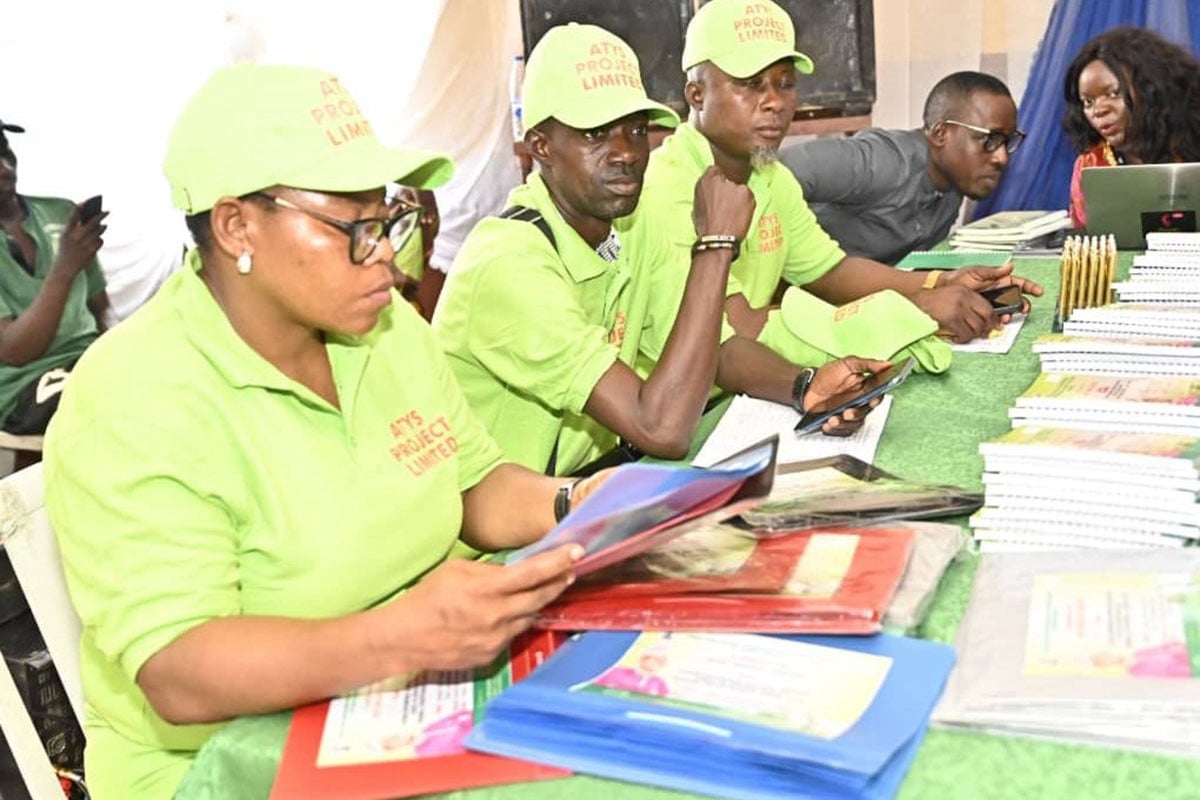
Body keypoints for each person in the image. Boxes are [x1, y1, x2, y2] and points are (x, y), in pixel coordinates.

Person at [43, 64, 601, 800]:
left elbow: (473, 485)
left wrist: (582, 503)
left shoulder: (386, 330)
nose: (388, 257)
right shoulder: (133, 397)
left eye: (389, 221)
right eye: (355, 230)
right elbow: (180, 672)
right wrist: (404, 636)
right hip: (225, 763)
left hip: (404, 694)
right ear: (237, 226)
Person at [434, 23, 887, 478]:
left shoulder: (632, 225)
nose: (626, 153)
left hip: (592, 480)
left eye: (634, 130)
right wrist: (715, 244)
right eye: (595, 134)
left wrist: (806, 387)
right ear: (541, 147)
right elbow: (661, 428)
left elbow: (720, 349)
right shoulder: (508, 261)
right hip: (501, 517)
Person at [640, 0, 1042, 352]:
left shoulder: (770, 176)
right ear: (696, 95)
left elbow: (830, 271)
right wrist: (912, 308)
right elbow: (736, 329)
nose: (775, 102)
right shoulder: (665, 189)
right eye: (750, 84)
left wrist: (942, 283)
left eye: (786, 84)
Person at [779, 72, 1023, 265]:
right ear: (941, 134)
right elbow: (785, 168)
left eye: (1007, 141)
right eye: (990, 139)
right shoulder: (882, 161)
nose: (1001, 158)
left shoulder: (952, 183)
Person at [0, 120, 109, 446]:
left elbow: (100, 307)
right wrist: (64, 269)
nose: (5, 167)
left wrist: (119, 348)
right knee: (116, 404)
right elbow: (15, 351)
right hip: (24, 388)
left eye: (4, 149)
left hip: (87, 360)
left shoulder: (59, 212)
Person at [1062, 27, 1200, 227]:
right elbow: (1088, 236)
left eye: (1113, 93)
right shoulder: (1091, 165)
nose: (1099, 110)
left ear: (1151, 89)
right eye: (1088, 102)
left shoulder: (1192, 145)